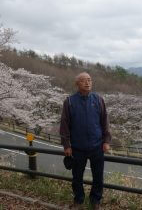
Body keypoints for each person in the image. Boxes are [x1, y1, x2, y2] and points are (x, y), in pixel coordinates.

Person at [60, 72, 111, 210]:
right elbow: (64, 125)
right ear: (77, 84)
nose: (87, 83)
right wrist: (66, 145)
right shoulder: (69, 101)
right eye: (83, 81)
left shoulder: (99, 99)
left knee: (98, 176)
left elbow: (104, 122)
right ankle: (79, 200)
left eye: (89, 80)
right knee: (77, 177)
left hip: (97, 146)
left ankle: (95, 200)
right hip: (77, 147)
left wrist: (106, 141)